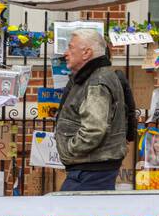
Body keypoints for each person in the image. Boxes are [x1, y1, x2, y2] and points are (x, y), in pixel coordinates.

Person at [53, 28, 135, 191]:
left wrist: (70, 149)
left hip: (91, 171)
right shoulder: (92, 77)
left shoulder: (97, 81)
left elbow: (94, 129)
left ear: (86, 53)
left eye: (70, 48)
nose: (65, 53)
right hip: (90, 169)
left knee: (71, 213)